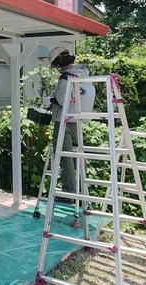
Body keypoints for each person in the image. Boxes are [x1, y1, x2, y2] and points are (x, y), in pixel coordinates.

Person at [43, 47, 95, 204]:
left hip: (64, 122)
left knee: (65, 157)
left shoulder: (66, 78)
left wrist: (49, 101)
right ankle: (80, 190)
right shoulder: (83, 75)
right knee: (78, 157)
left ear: (58, 62)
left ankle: (69, 193)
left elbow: (61, 100)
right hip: (78, 121)